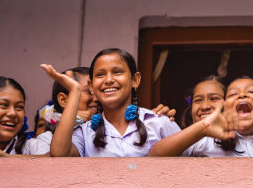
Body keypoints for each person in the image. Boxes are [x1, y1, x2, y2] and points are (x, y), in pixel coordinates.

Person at [46, 48, 180, 157]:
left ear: (135, 80)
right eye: (100, 75)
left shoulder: (159, 122)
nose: (108, 80)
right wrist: (75, 90)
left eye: (117, 72)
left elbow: (192, 153)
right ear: (91, 86)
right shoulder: (85, 132)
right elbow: (58, 154)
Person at [148, 76, 253, 157]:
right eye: (198, 100)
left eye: (214, 99)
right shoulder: (196, 140)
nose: (205, 106)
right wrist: (202, 129)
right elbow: (153, 156)